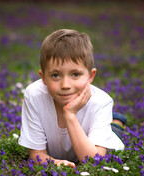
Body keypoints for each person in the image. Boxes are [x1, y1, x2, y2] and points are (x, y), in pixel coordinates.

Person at [18, 29, 126, 168]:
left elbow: (93, 162)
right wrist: (55, 162)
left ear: (90, 76)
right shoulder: (34, 95)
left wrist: (70, 114)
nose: (65, 85)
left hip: (97, 140)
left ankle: (117, 122)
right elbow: (35, 154)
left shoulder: (101, 102)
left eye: (75, 74)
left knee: (113, 134)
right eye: (56, 75)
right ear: (43, 77)